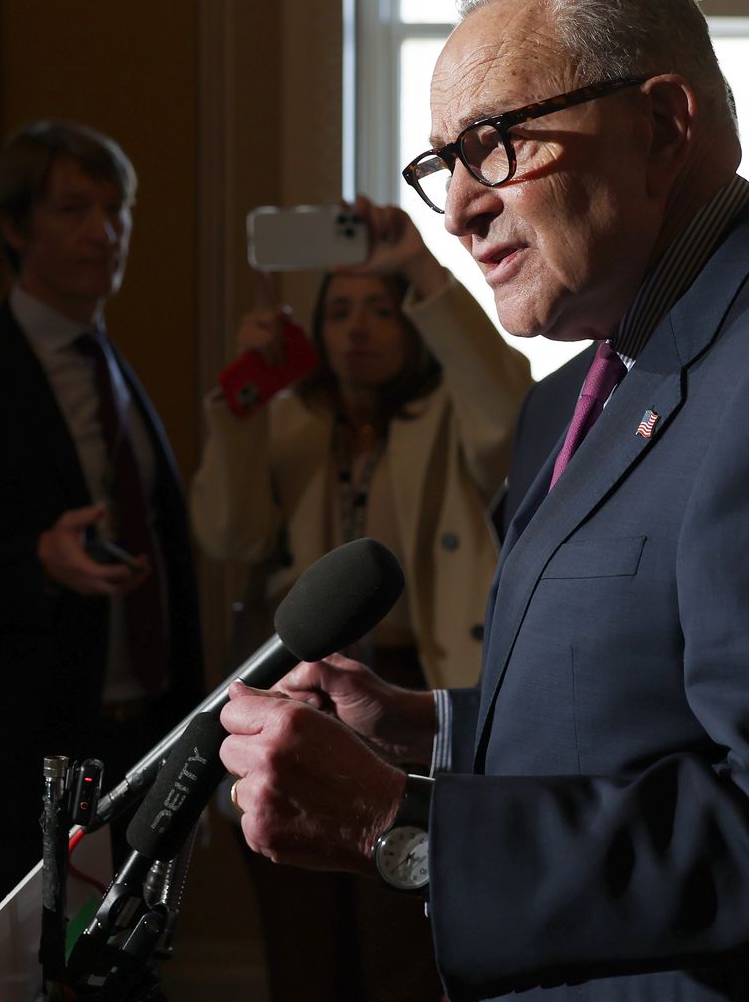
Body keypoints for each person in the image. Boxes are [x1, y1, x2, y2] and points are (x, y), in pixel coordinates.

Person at [217, 0, 749, 1000]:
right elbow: (646, 702)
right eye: (441, 166)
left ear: (663, 127)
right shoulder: (595, 379)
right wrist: (431, 731)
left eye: (494, 146)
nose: (457, 210)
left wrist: (399, 821)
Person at [0, 121, 203, 965]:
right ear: (17, 228)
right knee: (16, 976)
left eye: (116, 207)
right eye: (73, 209)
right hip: (10, 767)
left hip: (133, 747)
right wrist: (33, 567)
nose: (105, 229)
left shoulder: (114, 367)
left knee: (110, 972)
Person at [190, 199, 530, 1000]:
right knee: (300, 931)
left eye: (380, 309)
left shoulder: (451, 413)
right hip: (296, 689)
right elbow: (230, 535)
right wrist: (242, 397)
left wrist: (418, 270)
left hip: (413, 685)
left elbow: (511, 419)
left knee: (406, 932)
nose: (358, 328)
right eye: (339, 310)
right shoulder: (287, 421)